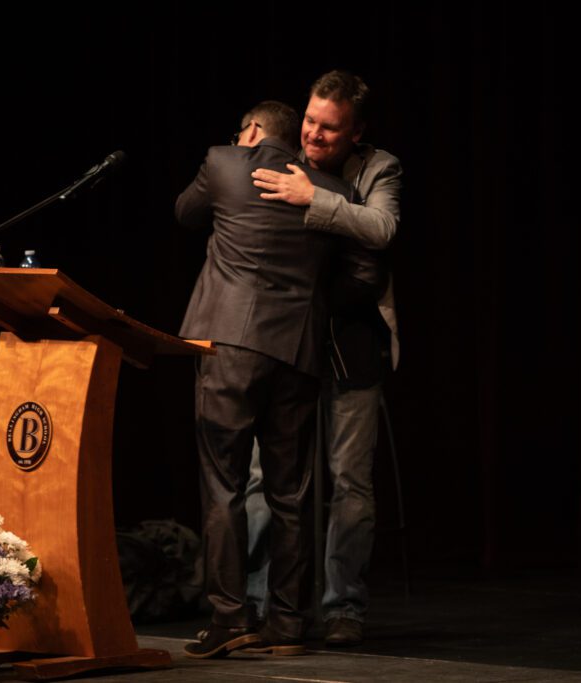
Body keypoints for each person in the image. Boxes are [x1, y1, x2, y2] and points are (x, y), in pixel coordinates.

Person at [176, 100, 353, 658]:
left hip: (229, 342)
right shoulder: (331, 190)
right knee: (290, 492)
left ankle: (229, 618)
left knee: (224, 484)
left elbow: (184, 212)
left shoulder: (225, 162)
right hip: (297, 351)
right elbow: (356, 272)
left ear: (252, 132)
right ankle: (288, 624)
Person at [247, 70, 402, 647]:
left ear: (355, 132)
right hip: (282, 341)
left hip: (352, 344)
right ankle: (262, 604)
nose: (313, 135)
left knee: (350, 484)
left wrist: (315, 199)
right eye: (310, 121)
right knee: (264, 480)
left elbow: (381, 227)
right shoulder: (280, 154)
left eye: (329, 129)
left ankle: (343, 608)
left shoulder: (378, 169)